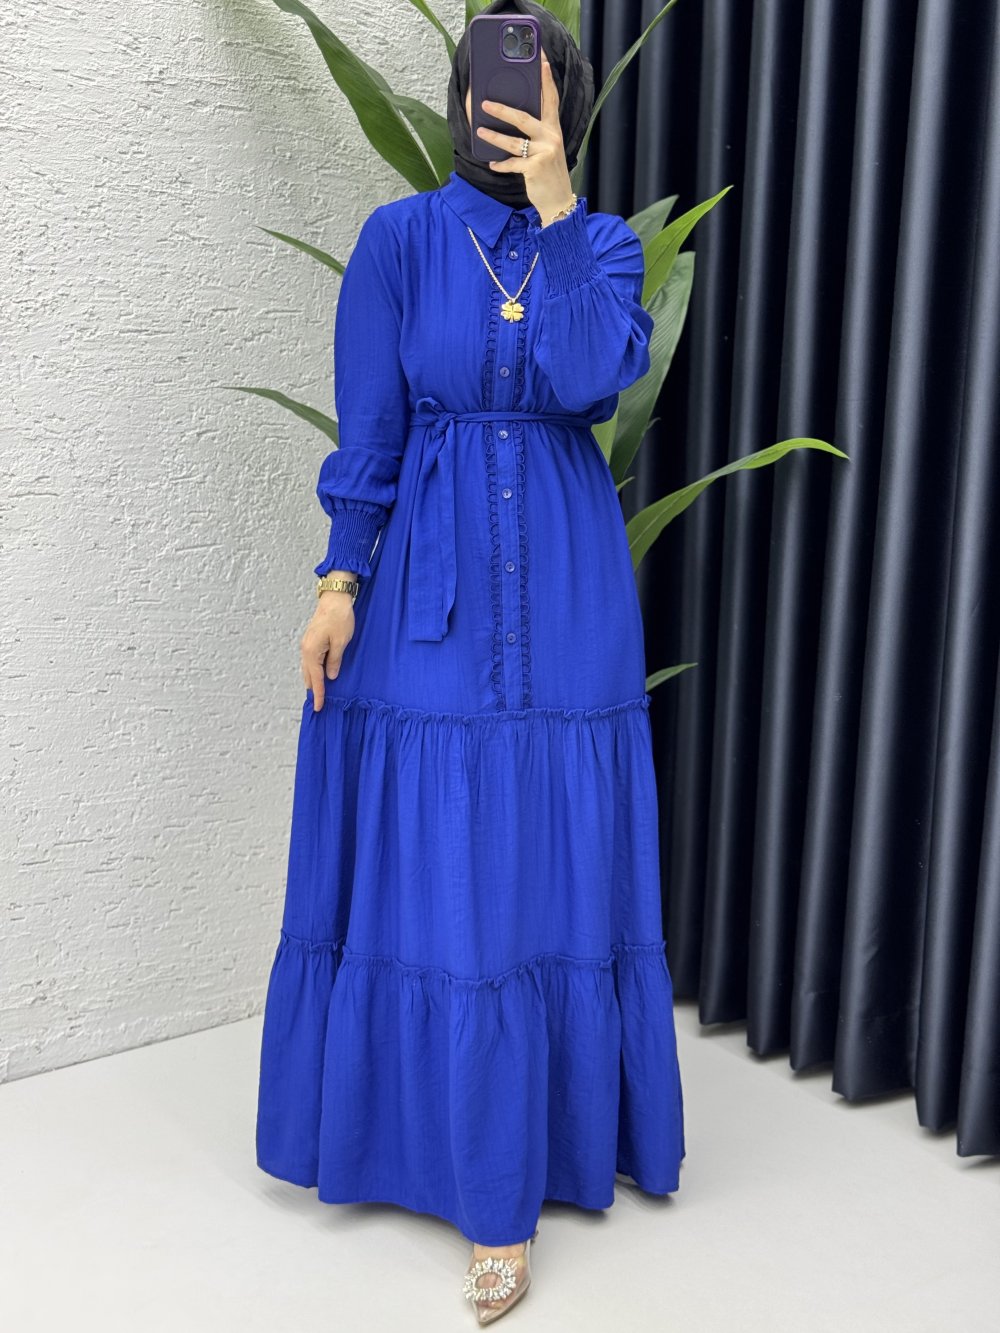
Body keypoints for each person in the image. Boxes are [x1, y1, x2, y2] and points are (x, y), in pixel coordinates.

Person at [255, 0, 685, 1322]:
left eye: (537, 91)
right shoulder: (398, 242)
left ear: (567, 108)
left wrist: (556, 206)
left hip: (566, 589)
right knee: (445, 853)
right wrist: (339, 583)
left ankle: (532, 1166)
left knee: (544, 851)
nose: (507, 108)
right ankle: (442, 1151)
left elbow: (592, 378)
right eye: (491, 89)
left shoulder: (600, 247)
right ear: (458, 103)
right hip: (430, 591)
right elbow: (372, 431)